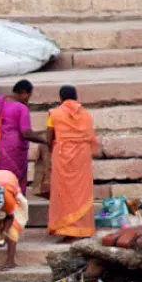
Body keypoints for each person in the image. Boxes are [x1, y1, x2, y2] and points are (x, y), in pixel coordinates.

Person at [47, 85, 98, 242]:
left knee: (64, 193)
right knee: (81, 192)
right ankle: (83, 229)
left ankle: (69, 232)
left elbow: (49, 138)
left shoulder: (54, 114)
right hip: (82, 156)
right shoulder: (86, 115)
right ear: (76, 97)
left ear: (60, 98)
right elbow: (90, 137)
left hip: (62, 156)